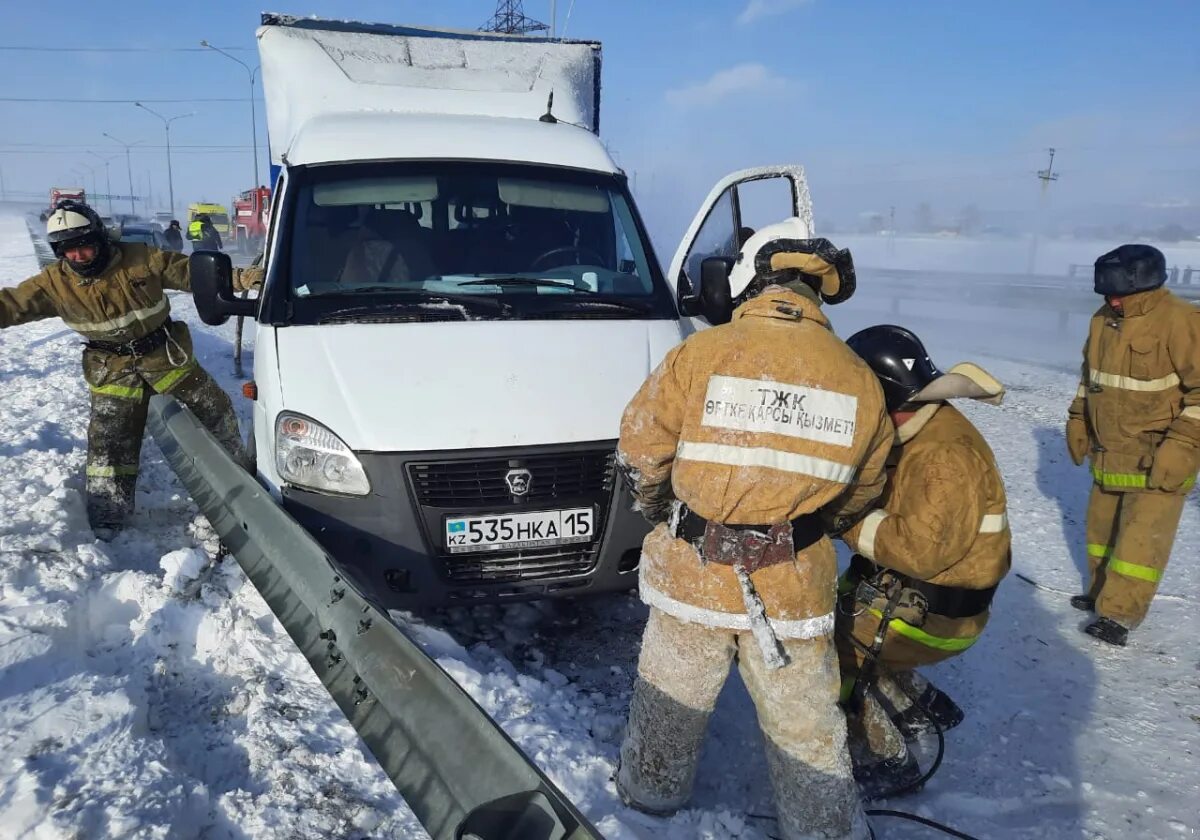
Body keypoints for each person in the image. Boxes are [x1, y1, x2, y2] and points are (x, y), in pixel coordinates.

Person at [616, 218, 892, 840]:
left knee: (671, 699)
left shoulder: (700, 353)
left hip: (692, 576)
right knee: (805, 727)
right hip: (792, 585)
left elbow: (639, 451)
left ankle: (644, 802)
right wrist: (805, 528)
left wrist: (669, 514)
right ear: (817, 296)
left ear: (752, 285)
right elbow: (864, 490)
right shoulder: (857, 377)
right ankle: (823, 830)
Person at [0, 201, 258, 537]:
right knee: (109, 443)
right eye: (68, 251)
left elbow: (191, 273)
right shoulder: (52, 284)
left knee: (215, 408)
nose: (78, 256)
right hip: (112, 371)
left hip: (166, 357)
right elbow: (10, 305)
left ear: (101, 238)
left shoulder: (141, 258)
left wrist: (243, 278)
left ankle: (242, 477)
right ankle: (109, 513)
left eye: (84, 246)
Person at [834, 324, 1010, 799]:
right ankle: (923, 708)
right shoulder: (927, 425)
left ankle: (888, 760)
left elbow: (920, 551)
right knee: (843, 601)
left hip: (940, 615)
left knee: (835, 649)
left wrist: (844, 522)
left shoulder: (941, 456)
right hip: (934, 597)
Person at [1066, 244, 1200, 646]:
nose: (1113, 301)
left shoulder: (1182, 321)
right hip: (1111, 449)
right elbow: (1090, 376)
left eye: (1120, 294)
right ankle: (1101, 592)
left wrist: (1184, 445)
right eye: (1107, 295)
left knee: (1141, 542)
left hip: (1160, 455)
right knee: (1101, 531)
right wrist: (1078, 418)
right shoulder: (1103, 319)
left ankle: (1119, 615)